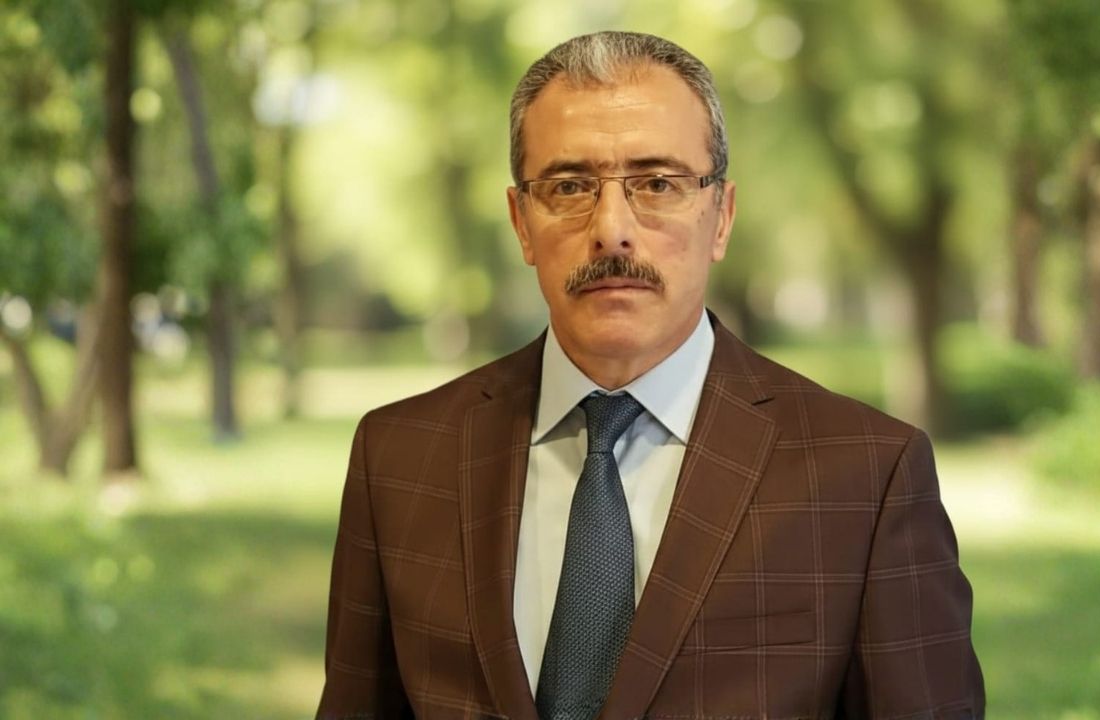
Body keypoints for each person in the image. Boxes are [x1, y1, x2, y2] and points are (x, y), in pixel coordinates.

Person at [317, 30, 984, 720]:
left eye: (659, 183)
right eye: (569, 186)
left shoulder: (867, 476)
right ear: (520, 222)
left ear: (721, 217)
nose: (611, 229)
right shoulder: (399, 458)